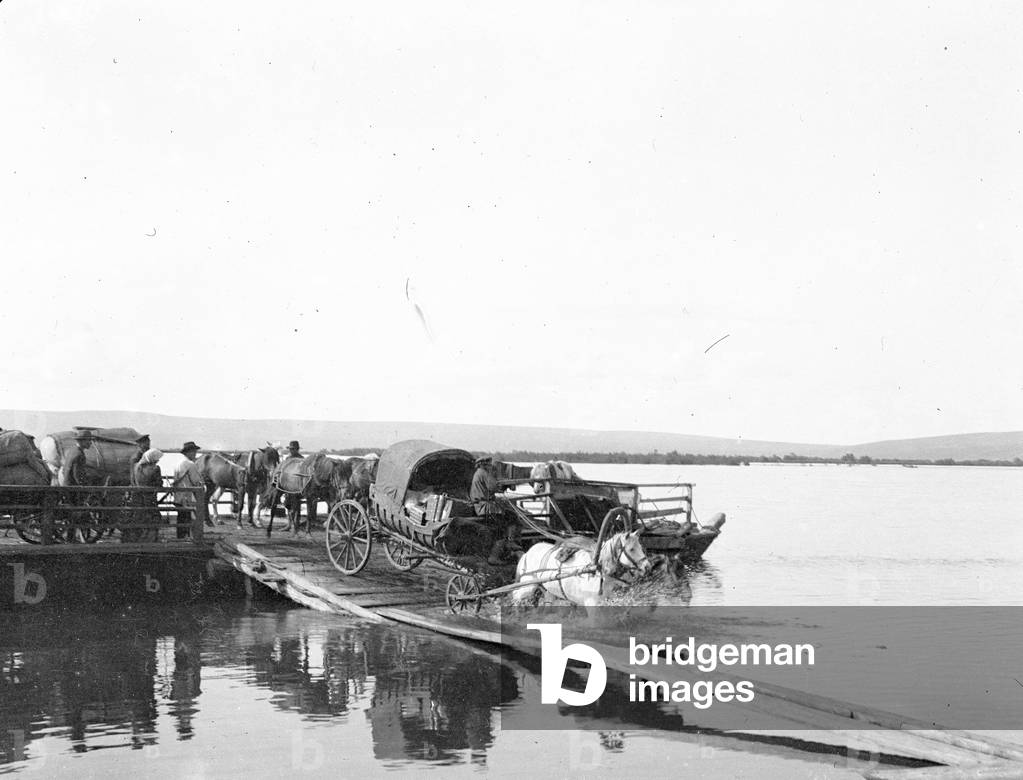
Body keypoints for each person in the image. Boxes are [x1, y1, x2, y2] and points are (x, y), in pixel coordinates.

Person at [469, 456, 519, 565]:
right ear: (484, 464)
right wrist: (506, 485)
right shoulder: (483, 473)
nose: (490, 465)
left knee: (509, 517)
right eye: (489, 463)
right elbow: (494, 487)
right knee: (505, 526)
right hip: (486, 508)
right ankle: (496, 555)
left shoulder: (478, 473)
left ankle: (508, 543)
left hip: (481, 507)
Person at [126, 448, 163, 543]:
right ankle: (150, 540)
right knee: (153, 518)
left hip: (137, 498)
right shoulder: (155, 469)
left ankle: (138, 539)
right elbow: (159, 484)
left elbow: (133, 481)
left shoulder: (136, 466)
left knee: (139, 518)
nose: (158, 461)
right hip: (149, 498)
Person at [173, 441, 204, 539]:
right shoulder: (190, 464)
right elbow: (196, 481)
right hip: (187, 497)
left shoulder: (178, 463)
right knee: (189, 519)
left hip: (178, 496)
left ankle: (180, 539)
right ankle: (187, 539)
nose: (195, 454)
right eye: (194, 451)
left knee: (181, 519)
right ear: (188, 452)